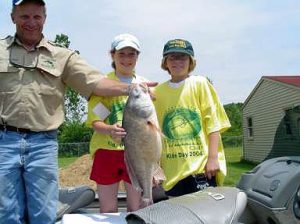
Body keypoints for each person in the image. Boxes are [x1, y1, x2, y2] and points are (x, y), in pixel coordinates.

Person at [0, 1, 155, 223]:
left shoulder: (63, 56)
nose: (31, 23)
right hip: (4, 142)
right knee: (6, 212)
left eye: (37, 17)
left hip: (43, 144)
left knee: (43, 212)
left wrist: (134, 88)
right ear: (13, 16)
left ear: (45, 18)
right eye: (24, 16)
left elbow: (96, 84)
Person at [153, 39, 231, 197]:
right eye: (172, 57)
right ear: (165, 62)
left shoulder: (200, 83)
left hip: (201, 168)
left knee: (207, 212)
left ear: (191, 61)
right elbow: (153, 133)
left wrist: (213, 158)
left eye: (183, 57)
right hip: (172, 172)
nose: (177, 61)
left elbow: (213, 123)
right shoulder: (157, 92)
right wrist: (155, 167)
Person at [86, 33, 147, 213]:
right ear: (112, 55)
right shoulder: (103, 85)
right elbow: (96, 121)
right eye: (122, 54)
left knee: (136, 208)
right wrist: (110, 129)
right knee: (107, 209)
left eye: (131, 54)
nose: (127, 59)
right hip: (106, 153)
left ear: (138, 56)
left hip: (136, 153)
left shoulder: (144, 85)